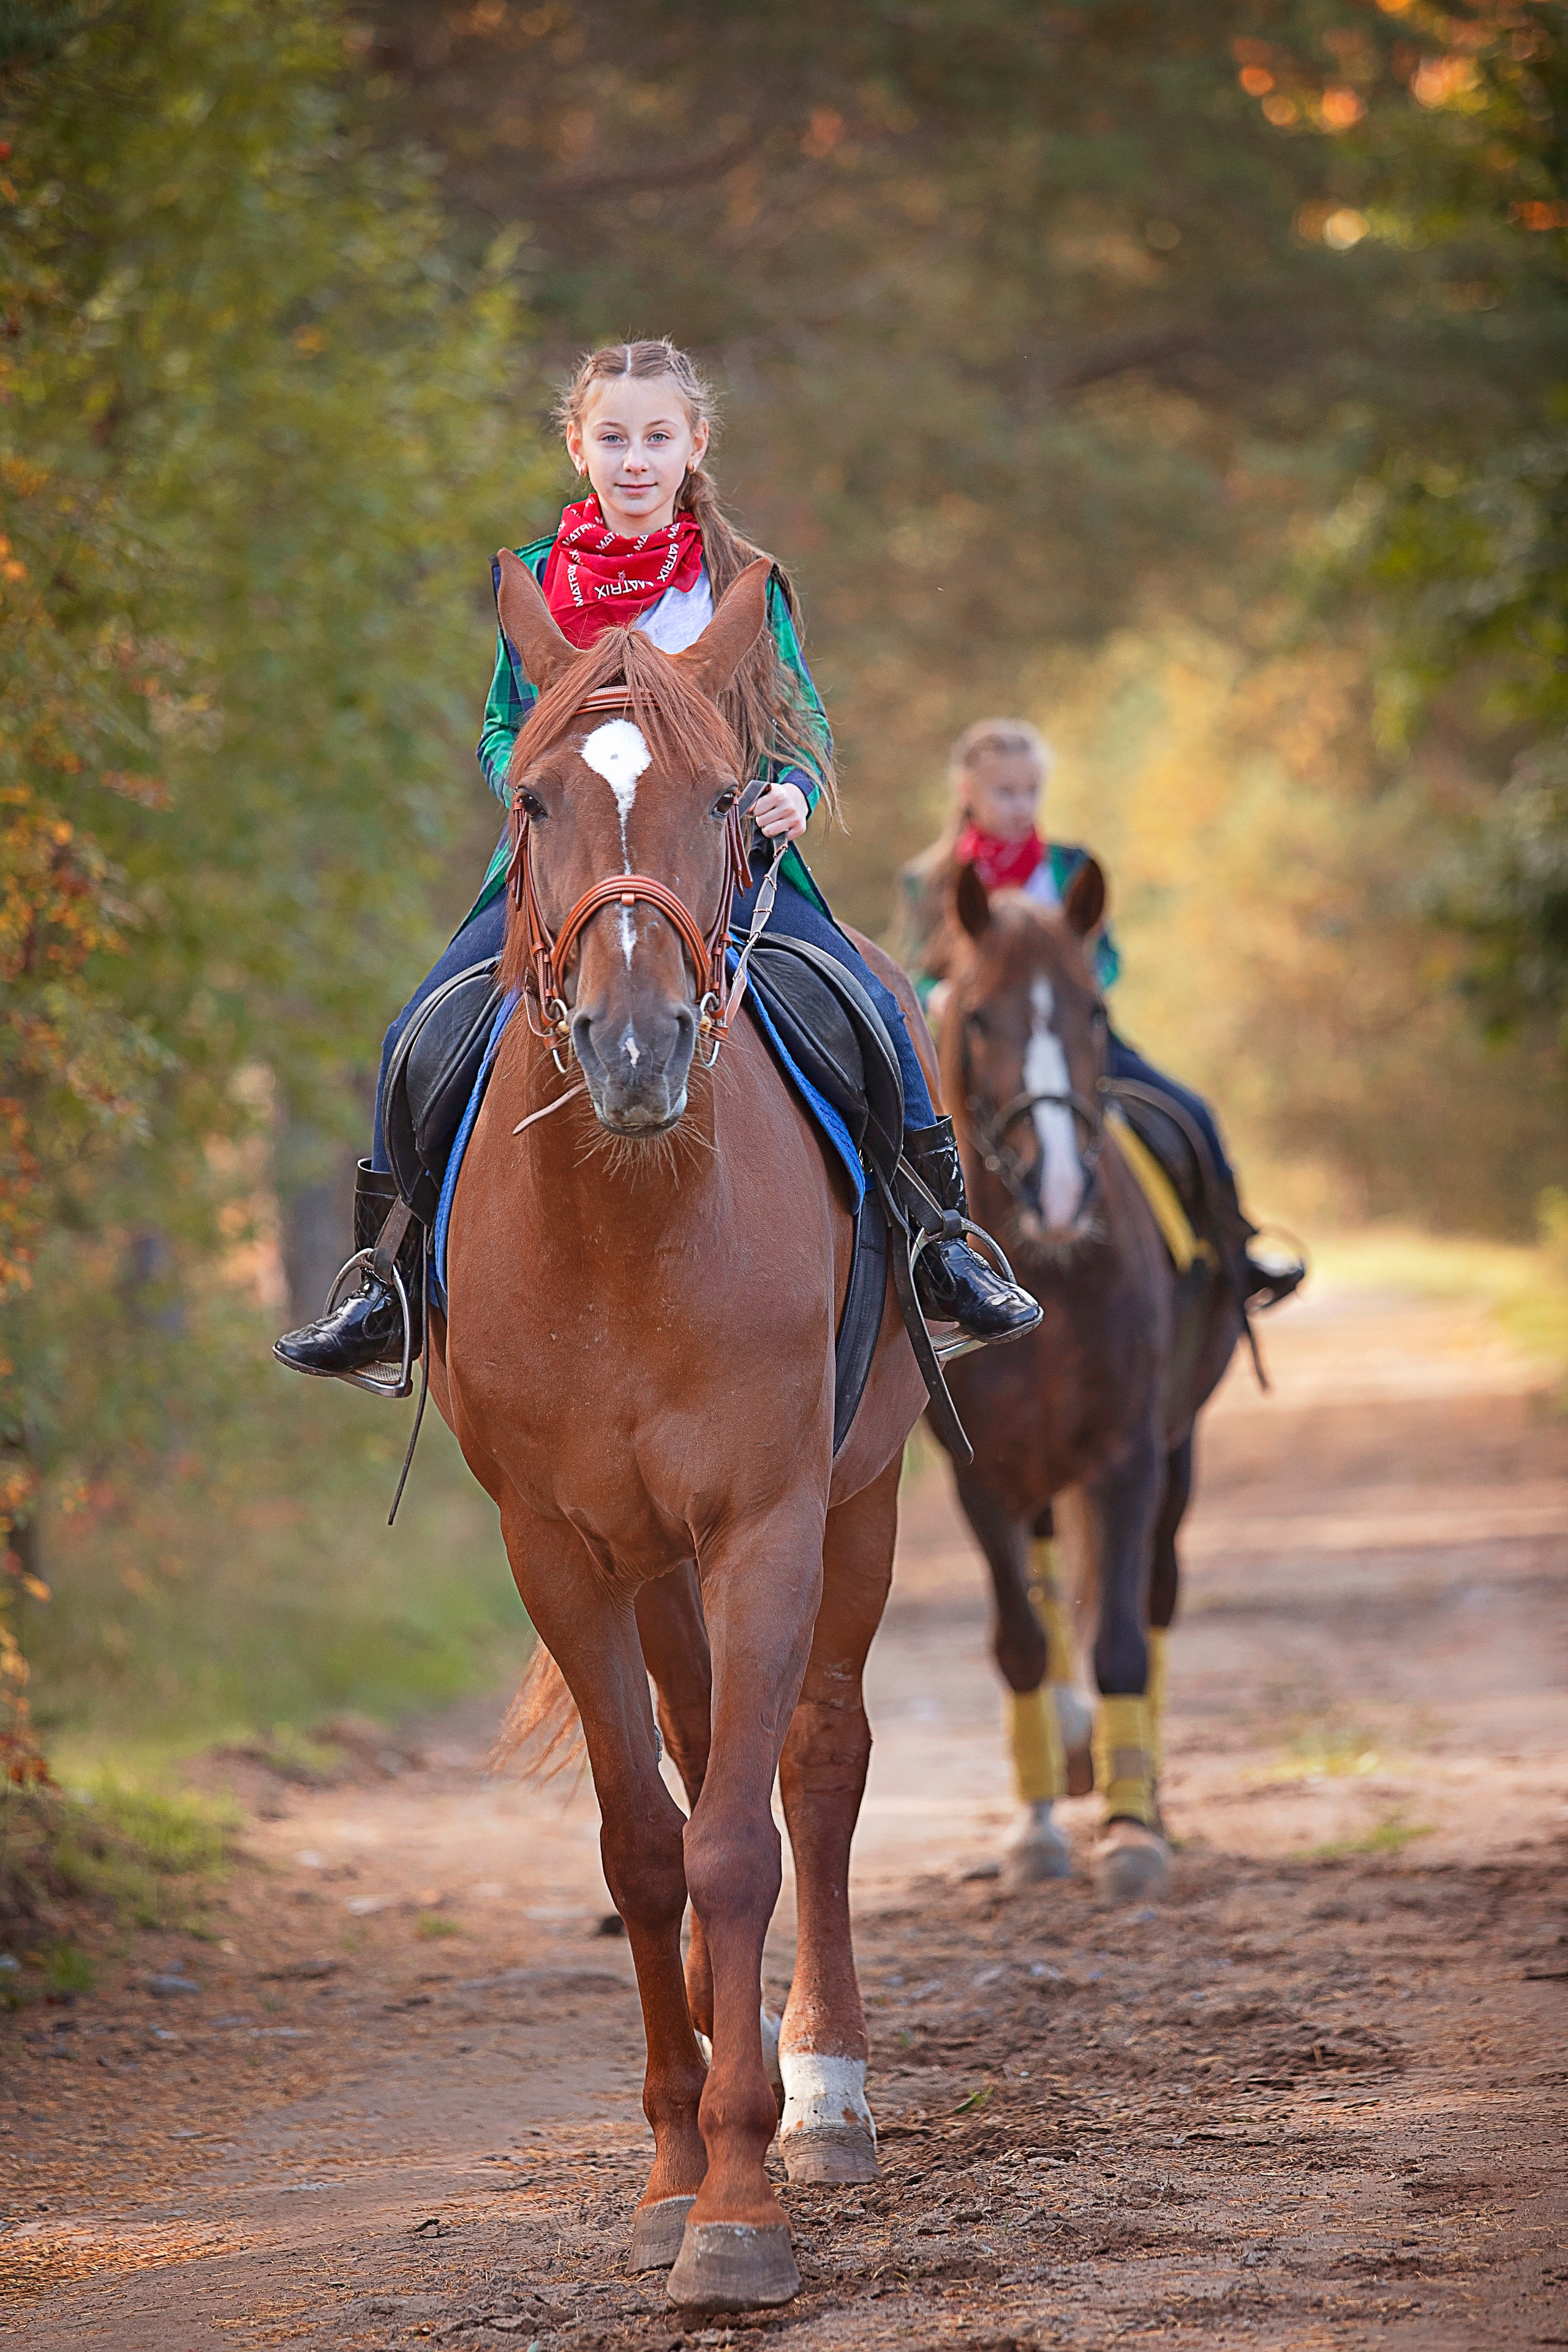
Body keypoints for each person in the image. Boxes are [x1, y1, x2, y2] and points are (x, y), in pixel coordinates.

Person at [276, 341, 1040, 1383]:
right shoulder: (538, 580)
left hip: (726, 867)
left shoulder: (739, 581)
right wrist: (525, 777)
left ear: (694, 447)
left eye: (657, 437)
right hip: (564, 870)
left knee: (868, 1002)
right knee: (422, 1025)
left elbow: (803, 718)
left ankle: (941, 1246)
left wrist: (794, 790)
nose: (636, 459)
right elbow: (503, 725)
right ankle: (390, 1285)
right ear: (579, 449)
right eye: (614, 437)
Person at [899, 716, 1305, 1311]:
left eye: (1030, 791)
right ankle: (893, 1295)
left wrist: (1081, 985)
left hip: (1074, 1041)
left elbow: (1107, 956)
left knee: (1188, 1113)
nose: (1021, 805)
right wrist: (935, 990)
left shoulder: (1069, 867)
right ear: (968, 792)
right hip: (978, 1051)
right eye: (1005, 792)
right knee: (896, 1143)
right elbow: (911, 968)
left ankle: (1234, 1250)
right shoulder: (930, 880)